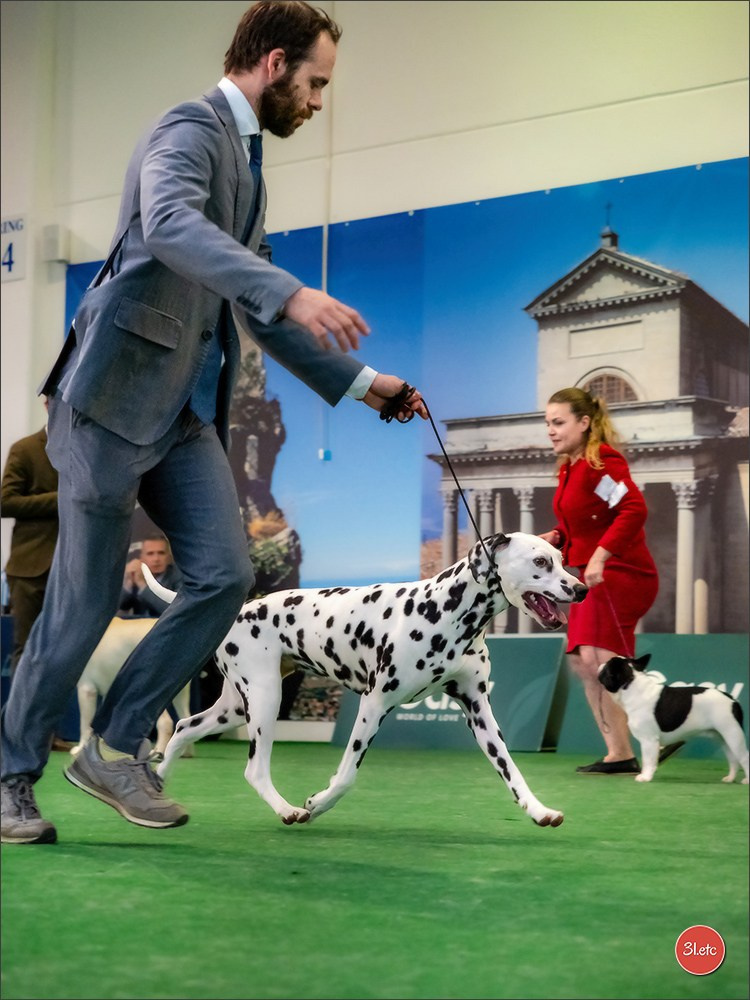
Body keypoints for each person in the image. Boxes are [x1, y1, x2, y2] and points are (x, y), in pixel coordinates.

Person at [1, 0, 427, 846]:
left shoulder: (249, 166)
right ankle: (11, 777)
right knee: (81, 606)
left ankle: (114, 747)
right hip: (112, 405)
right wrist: (291, 289)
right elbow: (167, 225)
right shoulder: (188, 130)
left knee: (227, 575)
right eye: (314, 82)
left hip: (186, 415)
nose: (317, 101)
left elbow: (260, 308)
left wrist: (365, 383)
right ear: (273, 64)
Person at [539, 387, 676, 776]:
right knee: (586, 664)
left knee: (598, 660)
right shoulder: (570, 466)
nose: (550, 430)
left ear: (584, 423)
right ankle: (621, 752)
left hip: (622, 572)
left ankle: (641, 743)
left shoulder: (602, 463)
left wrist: (600, 555)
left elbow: (632, 509)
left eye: (558, 422)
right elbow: (581, 521)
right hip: (592, 575)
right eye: (547, 423)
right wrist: (556, 537)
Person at [1, 399, 58, 673]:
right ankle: (18, 717)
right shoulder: (24, 449)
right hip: (29, 568)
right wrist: (60, 500)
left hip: (72, 569)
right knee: (26, 651)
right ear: (48, 404)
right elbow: (6, 502)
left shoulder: (84, 450)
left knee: (64, 653)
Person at [119, 532, 183, 618]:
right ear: (141, 558)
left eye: (161, 553)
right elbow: (120, 607)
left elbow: (173, 611)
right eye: (150, 554)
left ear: (169, 558)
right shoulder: (136, 573)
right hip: (139, 628)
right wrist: (128, 585)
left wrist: (142, 586)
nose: (156, 559)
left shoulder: (179, 577)